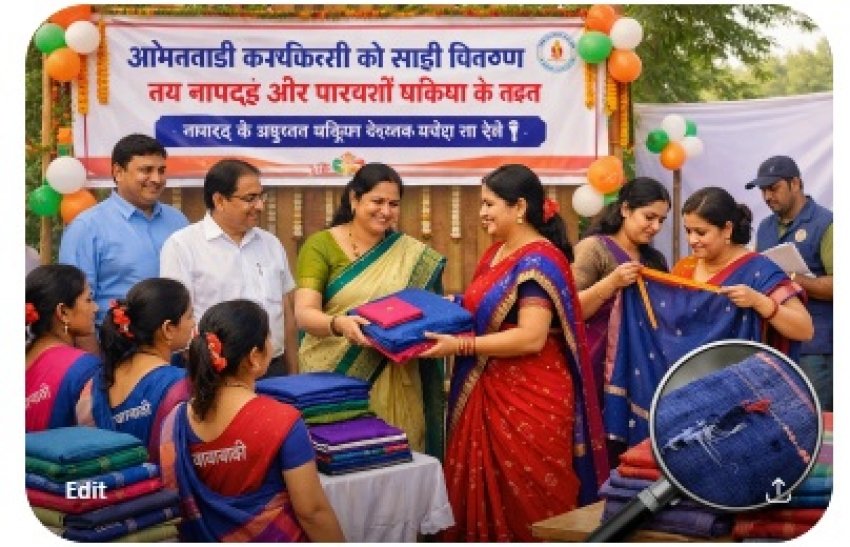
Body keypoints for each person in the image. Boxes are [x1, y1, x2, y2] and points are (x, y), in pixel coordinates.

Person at [420, 164, 607, 542]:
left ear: (519, 207)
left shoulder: (539, 260)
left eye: (489, 204)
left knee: (532, 501)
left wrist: (461, 346)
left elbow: (531, 337)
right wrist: (439, 308)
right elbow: (481, 309)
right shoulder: (497, 252)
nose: (482, 212)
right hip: (487, 387)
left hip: (530, 397)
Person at [159, 300, 345, 542]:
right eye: (268, 338)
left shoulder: (175, 422)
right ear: (254, 356)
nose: (272, 345)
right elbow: (312, 512)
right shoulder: (281, 420)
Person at [294, 163, 446, 456]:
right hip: (336, 376)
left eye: (393, 204)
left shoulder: (411, 255)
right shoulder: (321, 246)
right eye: (377, 201)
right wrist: (339, 324)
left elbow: (426, 313)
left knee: (397, 459)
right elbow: (304, 313)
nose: (385, 211)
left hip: (398, 375)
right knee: (342, 459)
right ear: (354, 199)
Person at [160, 159, 297, 377]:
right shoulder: (183, 245)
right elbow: (178, 320)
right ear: (219, 200)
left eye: (261, 197)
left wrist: (293, 373)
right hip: (215, 372)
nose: (260, 206)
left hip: (273, 369)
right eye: (250, 199)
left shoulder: (271, 243)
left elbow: (286, 312)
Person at [58, 133, 188, 351]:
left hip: (174, 353)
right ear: (118, 172)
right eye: (146, 170)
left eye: (161, 170)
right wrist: (97, 365)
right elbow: (74, 306)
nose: (156, 179)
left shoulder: (178, 221)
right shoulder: (87, 228)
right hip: (116, 352)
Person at [674, 186, 814, 349]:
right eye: (688, 231)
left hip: (741, 365)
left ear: (727, 229)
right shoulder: (685, 268)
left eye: (701, 232)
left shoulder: (758, 270)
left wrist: (758, 301)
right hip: (687, 364)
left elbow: (805, 330)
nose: (692, 240)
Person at [572, 177, 670, 405]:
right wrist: (611, 283)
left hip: (640, 364)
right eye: (649, 217)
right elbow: (570, 309)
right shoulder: (593, 249)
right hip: (595, 363)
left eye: (661, 220)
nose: (656, 227)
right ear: (625, 209)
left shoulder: (655, 261)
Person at [746, 155, 833, 410]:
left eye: (773, 188)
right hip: (774, 342)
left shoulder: (827, 224)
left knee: (815, 417)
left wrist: (792, 279)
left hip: (815, 346)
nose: (767, 196)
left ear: (795, 184)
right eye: (763, 190)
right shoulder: (765, 227)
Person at [81, 278, 194, 460]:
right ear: (168, 329)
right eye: (190, 316)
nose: (194, 324)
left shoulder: (97, 382)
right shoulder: (180, 384)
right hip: (160, 479)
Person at [25, 265, 100, 431]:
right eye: (88, 300)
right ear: (63, 312)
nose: (96, 308)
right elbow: (101, 439)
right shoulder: (85, 368)